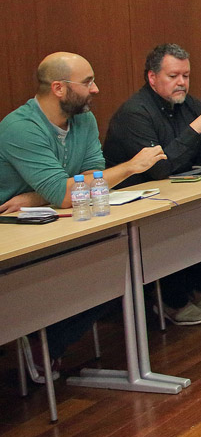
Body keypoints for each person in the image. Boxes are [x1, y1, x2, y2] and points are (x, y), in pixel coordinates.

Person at [0, 53, 164, 382]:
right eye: (87, 82)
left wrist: (38, 194)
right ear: (59, 88)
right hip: (14, 230)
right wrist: (130, 167)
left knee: (113, 265)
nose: (96, 89)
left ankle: (48, 346)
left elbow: (90, 177)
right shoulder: (19, 127)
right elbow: (67, 193)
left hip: (58, 218)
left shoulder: (84, 120)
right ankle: (40, 347)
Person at [104, 43, 201, 325]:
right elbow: (159, 169)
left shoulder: (188, 104)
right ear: (152, 78)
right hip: (137, 202)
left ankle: (191, 289)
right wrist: (198, 128)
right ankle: (170, 299)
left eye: (186, 76)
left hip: (177, 190)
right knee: (178, 225)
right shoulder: (134, 113)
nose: (182, 83)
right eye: (173, 76)